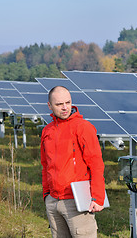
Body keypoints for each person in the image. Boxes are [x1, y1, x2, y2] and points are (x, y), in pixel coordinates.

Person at [41, 86, 105, 238]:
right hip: (53, 200)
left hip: (76, 200)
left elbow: (96, 163)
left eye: (67, 102)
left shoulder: (83, 127)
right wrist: (46, 194)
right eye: (59, 104)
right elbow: (45, 165)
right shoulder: (47, 131)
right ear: (49, 105)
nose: (65, 107)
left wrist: (98, 196)